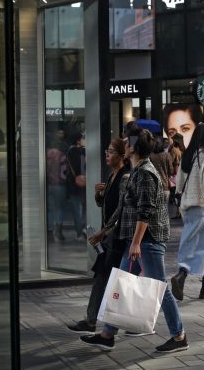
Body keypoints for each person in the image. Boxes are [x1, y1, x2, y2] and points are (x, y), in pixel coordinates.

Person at [81, 128, 188, 353]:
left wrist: (137, 242)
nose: (123, 145)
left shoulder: (145, 173)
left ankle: (179, 335)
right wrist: (105, 231)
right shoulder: (137, 171)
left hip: (149, 240)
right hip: (140, 240)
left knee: (160, 287)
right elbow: (123, 207)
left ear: (133, 148)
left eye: (126, 142)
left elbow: (145, 211)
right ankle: (108, 333)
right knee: (121, 283)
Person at [67, 138, 131, 334]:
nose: (107, 154)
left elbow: (121, 210)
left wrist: (104, 232)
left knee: (111, 279)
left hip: (117, 238)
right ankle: (93, 320)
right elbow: (105, 206)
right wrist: (98, 195)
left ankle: (99, 321)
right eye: (107, 150)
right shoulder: (112, 176)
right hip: (109, 237)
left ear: (121, 156)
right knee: (104, 278)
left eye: (111, 151)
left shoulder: (124, 177)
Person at [170, 123, 204, 300]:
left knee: (191, 245)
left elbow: (179, 184)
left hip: (190, 208)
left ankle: (200, 281)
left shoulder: (189, 155)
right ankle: (186, 276)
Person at [46, 134, 67, 241]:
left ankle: (49, 230)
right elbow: (64, 172)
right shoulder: (61, 155)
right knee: (60, 208)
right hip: (60, 185)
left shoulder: (46, 155)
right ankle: (58, 230)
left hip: (49, 185)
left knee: (50, 208)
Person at [65, 133, 87, 239]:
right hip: (85, 183)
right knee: (85, 208)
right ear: (78, 141)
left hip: (73, 183)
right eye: (83, 138)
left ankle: (79, 231)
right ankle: (85, 228)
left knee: (77, 209)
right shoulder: (83, 151)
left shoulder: (69, 152)